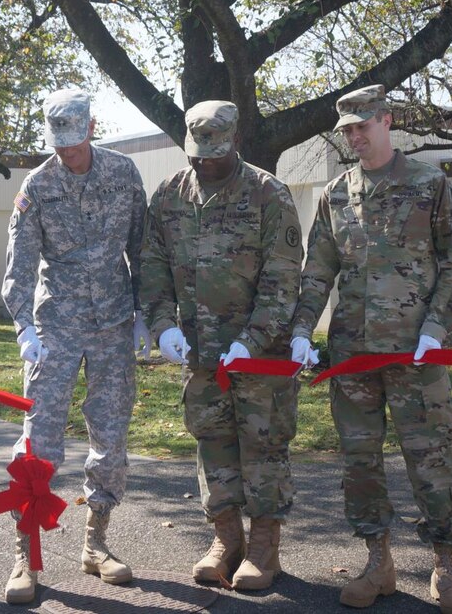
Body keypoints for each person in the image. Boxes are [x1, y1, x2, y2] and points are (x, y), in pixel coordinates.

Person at [290, 85, 452, 613]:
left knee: (432, 460)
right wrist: (304, 329)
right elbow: (318, 270)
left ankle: (447, 567)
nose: (355, 135)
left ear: (386, 120)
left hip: (418, 354)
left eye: (363, 124)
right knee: (360, 464)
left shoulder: (429, 183)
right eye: (347, 128)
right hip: (353, 355)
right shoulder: (336, 194)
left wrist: (437, 328)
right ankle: (378, 561)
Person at [140, 100, 303, 591]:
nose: (203, 161)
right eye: (196, 152)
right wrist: (162, 324)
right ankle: (225, 540)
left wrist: (252, 340)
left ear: (234, 141)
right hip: (201, 354)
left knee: (264, 447)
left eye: (213, 151)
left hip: (262, 354)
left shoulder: (268, 193)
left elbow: (283, 278)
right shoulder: (170, 195)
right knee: (213, 445)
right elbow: (152, 265)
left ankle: (263, 549)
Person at [0, 88, 149, 604]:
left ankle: (96, 542)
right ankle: (26, 551)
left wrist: (146, 315)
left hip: (112, 323)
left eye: (74, 140)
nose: (67, 151)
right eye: (58, 143)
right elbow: (19, 264)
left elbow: (142, 248)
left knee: (110, 436)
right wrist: (24, 328)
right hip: (56, 326)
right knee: (38, 441)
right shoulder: (37, 186)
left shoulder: (123, 174)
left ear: (91, 127)